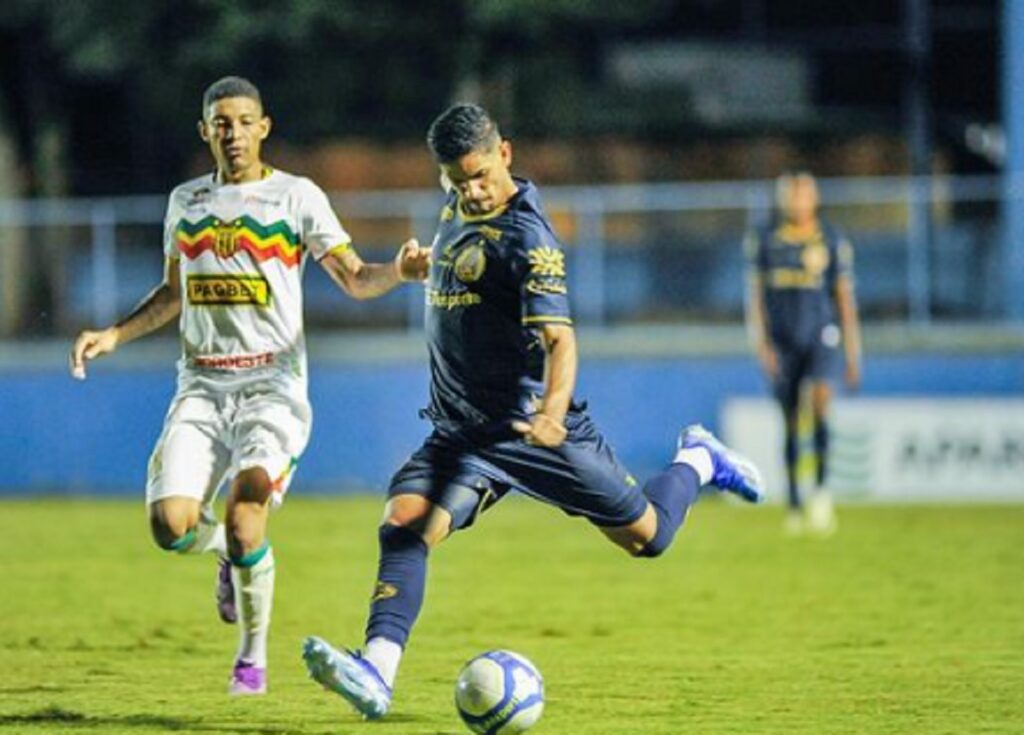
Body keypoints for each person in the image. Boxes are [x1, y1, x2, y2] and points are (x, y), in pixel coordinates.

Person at [300, 103, 765, 720]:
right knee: (406, 524)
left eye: (481, 175)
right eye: (457, 179)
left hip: (531, 431)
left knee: (648, 537)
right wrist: (415, 268)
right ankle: (376, 671)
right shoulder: (458, 207)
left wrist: (550, 412)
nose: (471, 189)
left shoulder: (528, 239)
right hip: (460, 431)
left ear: (506, 154)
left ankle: (698, 460)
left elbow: (560, 341)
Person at [68, 76, 430, 696]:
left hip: (273, 387)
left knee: (246, 516)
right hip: (201, 386)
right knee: (170, 526)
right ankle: (224, 556)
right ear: (205, 131)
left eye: (243, 121)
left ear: (264, 127)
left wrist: (397, 271)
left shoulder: (296, 197)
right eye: (221, 122)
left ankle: (251, 657)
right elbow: (174, 294)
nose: (233, 133)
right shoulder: (185, 202)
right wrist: (114, 335)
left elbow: (353, 277)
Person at [744, 171, 862, 536]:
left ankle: (822, 491)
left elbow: (843, 297)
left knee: (822, 399)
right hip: (783, 340)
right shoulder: (765, 241)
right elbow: (756, 299)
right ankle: (794, 501)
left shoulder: (831, 239)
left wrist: (854, 350)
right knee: (791, 417)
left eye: (804, 195)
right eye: (792, 196)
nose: (798, 202)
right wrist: (761, 344)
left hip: (822, 335)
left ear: (814, 199)